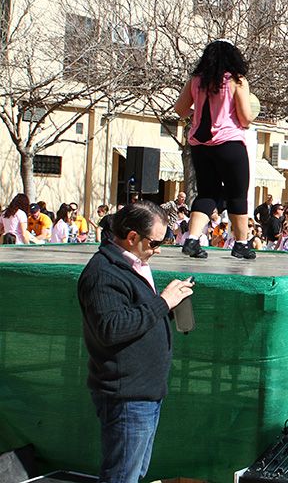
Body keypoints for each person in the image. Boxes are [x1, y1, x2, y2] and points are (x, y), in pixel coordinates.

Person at [77, 201, 194, 483]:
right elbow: (111, 328)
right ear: (132, 237)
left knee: (133, 472)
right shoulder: (103, 273)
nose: (159, 249)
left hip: (144, 391)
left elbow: (135, 318)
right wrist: (163, 302)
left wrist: (168, 304)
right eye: (154, 243)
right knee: (121, 476)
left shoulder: (132, 264)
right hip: (126, 394)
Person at [173, 39, 255, 260]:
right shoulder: (237, 81)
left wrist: (196, 114)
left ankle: (191, 238)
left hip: (200, 146)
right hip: (229, 143)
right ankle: (241, 244)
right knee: (237, 194)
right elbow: (246, 119)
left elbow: (180, 109)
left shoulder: (196, 80)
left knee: (207, 193)